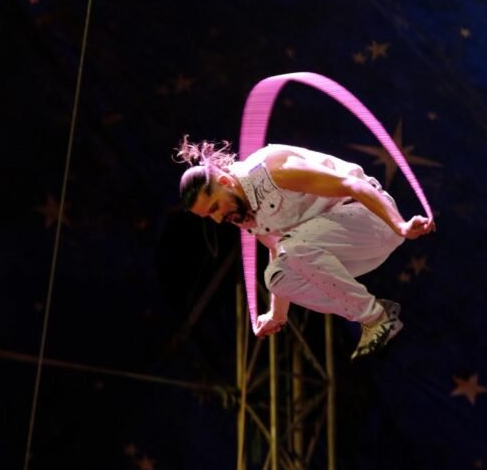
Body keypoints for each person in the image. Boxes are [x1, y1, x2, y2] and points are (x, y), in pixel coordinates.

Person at [176, 138, 436, 360]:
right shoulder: (243, 213)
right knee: (276, 278)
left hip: (373, 220)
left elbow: (351, 185)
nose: (218, 219)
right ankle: (373, 316)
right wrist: (277, 315)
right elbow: (278, 252)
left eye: (214, 208)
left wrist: (400, 225)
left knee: (292, 249)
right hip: (346, 248)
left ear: (225, 181)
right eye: (209, 216)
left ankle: (376, 317)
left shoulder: (273, 170)